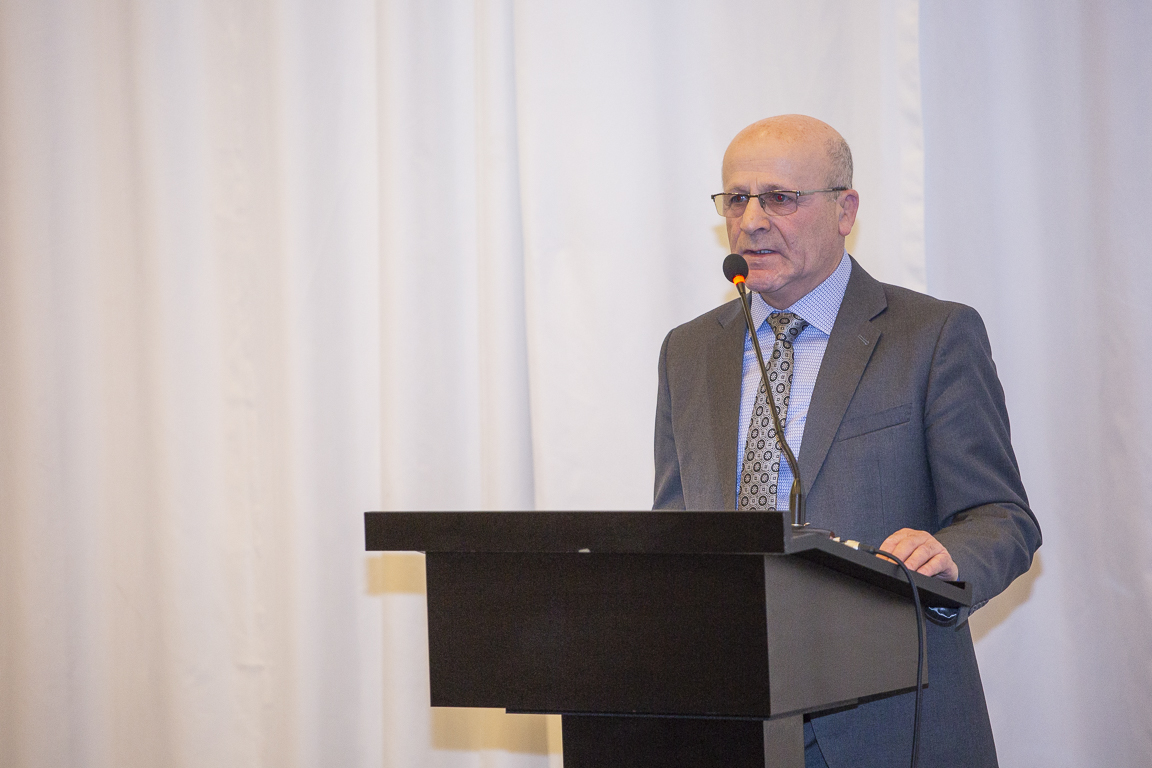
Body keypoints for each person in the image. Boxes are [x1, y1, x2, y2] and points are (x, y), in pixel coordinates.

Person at [652, 115, 1041, 768]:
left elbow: (1003, 518)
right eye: (736, 199)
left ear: (845, 210)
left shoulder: (932, 335)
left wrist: (948, 554)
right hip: (732, 720)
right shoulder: (689, 351)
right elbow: (674, 527)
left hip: (890, 720)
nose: (751, 221)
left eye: (779, 198)